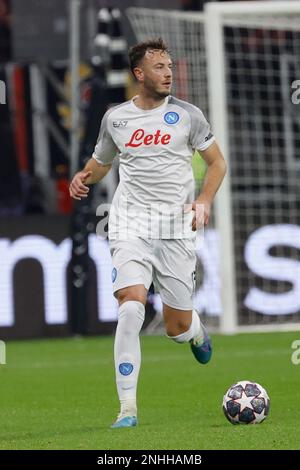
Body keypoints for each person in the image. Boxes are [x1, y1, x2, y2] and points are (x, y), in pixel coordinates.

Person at [69, 38, 226, 428]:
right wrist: (84, 176)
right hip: (128, 224)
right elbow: (102, 161)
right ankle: (127, 410)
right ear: (139, 74)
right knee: (131, 306)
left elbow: (217, 163)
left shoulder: (189, 115)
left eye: (169, 66)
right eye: (159, 67)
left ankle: (194, 332)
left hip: (175, 229)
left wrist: (204, 199)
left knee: (175, 328)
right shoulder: (116, 119)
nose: (168, 72)